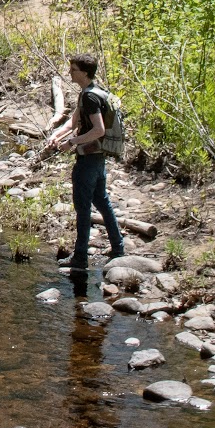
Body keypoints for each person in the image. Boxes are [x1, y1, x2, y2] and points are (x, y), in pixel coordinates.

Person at [42, 52, 123, 272]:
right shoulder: (89, 93)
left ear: (85, 73)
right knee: (102, 201)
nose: (70, 72)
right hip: (97, 158)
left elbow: (98, 130)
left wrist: (72, 142)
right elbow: (74, 121)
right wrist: (57, 135)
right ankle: (118, 248)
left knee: (83, 208)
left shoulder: (89, 97)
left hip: (88, 160)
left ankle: (80, 258)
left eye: (74, 69)